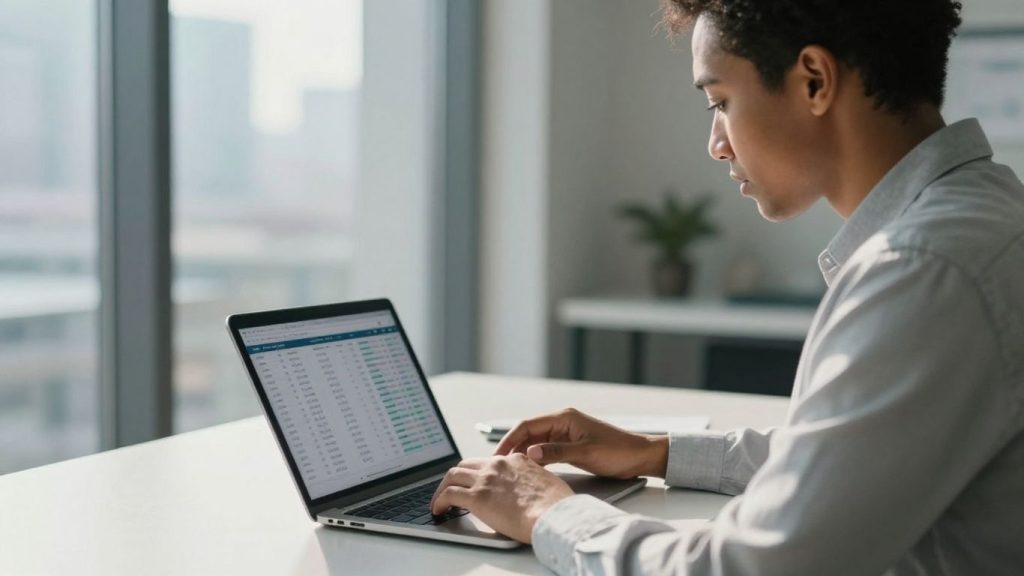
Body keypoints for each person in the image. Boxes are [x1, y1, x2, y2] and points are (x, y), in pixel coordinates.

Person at [430, 0, 1024, 573]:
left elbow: (750, 567)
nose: (716, 142)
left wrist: (547, 512)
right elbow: (864, 457)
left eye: (720, 101)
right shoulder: (984, 217)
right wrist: (655, 452)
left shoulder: (923, 270)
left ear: (815, 80)